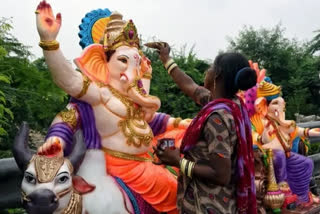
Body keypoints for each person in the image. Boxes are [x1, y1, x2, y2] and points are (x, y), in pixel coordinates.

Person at [151, 42, 258, 214]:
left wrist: (178, 161)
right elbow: (190, 87)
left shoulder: (218, 117)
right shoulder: (231, 105)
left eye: (210, 67)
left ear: (217, 75)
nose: (206, 71)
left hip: (209, 205)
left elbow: (221, 174)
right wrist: (166, 59)